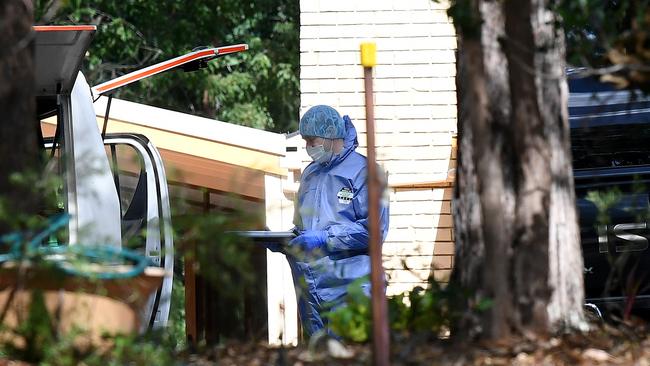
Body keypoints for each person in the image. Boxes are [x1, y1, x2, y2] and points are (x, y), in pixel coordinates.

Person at [286, 105, 389, 337]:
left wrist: (325, 237)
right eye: (305, 141)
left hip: (353, 288)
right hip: (313, 290)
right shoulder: (310, 173)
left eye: (312, 140)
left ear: (332, 133)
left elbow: (375, 230)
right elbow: (302, 226)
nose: (308, 147)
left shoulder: (367, 172)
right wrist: (285, 241)